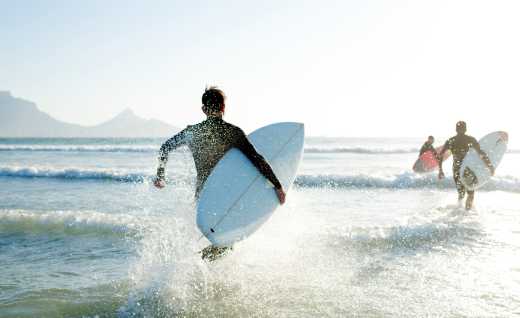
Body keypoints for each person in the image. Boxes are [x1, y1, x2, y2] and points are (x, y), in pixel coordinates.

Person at [153, 86, 286, 260]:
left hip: (202, 195)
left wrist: (160, 175)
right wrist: (277, 185)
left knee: (210, 236)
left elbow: (165, 148)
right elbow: (256, 159)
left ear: (203, 109)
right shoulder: (232, 132)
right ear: (223, 107)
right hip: (225, 195)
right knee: (226, 240)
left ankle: (192, 265)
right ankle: (199, 264)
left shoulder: (192, 132)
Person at [438, 121, 494, 210]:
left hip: (456, 169)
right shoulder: (470, 139)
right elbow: (481, 153)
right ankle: (467, 212)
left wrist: (440, 170)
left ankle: (459, 211)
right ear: (465, 129)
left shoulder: (451, 140)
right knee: (470, 192)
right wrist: (489, 165)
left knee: (461, 193)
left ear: (456, 129)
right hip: (467, 169)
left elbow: (440, 156)